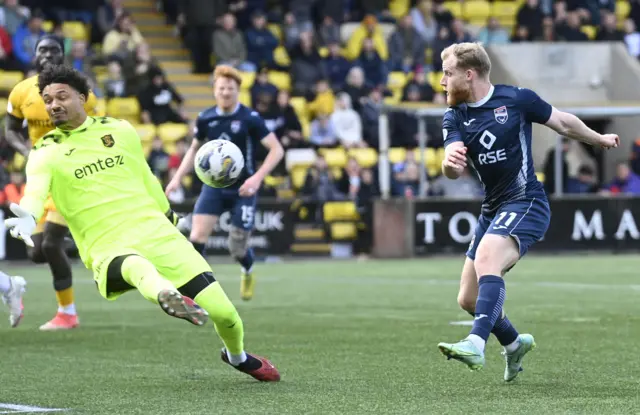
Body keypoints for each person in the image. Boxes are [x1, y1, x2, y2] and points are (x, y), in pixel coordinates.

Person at [4, 65, 280, 382]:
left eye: (61, 96)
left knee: (225, 314)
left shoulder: (120, 130)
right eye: (47, 99)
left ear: (83, 97)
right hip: (107, 245)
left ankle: (238, 357)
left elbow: (148, 180)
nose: (52, 105)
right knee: (136, 267)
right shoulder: (45, 151)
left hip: (157, 233)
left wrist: (172, 219)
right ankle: (167, 295)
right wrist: (27, 215)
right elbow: (35, 192)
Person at [436, 43, 619, 381]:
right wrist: (448, 163)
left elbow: (562, 122)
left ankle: (475, 343)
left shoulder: (517, 99)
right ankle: (514, 343)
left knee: (488, 257)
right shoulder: (455, 115)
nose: (442, 82)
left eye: (448, 73)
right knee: (467, 298)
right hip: (492, 208)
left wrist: (599, 139)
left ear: (469, 74)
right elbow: (451, 161)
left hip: (526, 201)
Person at [165, 65, 284, 301]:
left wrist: (256, 179)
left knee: (237, 248)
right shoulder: (206, 118)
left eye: (230, 88)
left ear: (238, 90)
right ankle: (195, 291)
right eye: (221, 88)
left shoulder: (250, 118)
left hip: (243, 188)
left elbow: (277, 150)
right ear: (214, 90)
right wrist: (177, 178)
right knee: (196, 238)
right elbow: (194, 149)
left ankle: (247, 270)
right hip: (214, 187)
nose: (225, 92)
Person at [5, 35, 98, 331]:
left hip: (69, 176)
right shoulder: (21, 92)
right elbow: (9, 130)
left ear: (62, 55)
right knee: (37, 251)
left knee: (52, 243)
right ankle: (77, 242)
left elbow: (95, 131)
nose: (47, 55)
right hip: (39, 179)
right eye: (42, 50)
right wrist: (27, 151)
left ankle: (67, 313)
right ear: (34, 56)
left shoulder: (81, 92)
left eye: (54, 50)